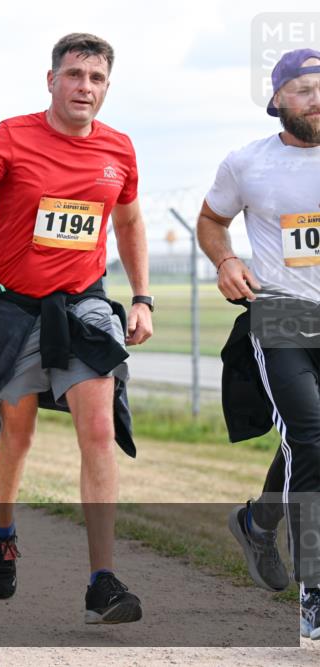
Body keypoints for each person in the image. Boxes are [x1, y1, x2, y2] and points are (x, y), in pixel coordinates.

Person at [0, 33, 153, 624]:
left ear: (106, 87)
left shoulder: (120, 149)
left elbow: (128, 223)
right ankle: (2, 526)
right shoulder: (11, 137)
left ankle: (102, 580)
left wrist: (143, 297)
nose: (85, 87)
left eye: (96, 79)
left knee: (98, 429)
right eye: (74, 75)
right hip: (14, 306)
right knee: (16, 435)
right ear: (50, 80)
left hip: (84, 304)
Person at [197, 48, 320, 641]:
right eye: (301, 88)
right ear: (277, 101)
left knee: (308, 442)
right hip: (283, 314)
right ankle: (315, 592)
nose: (315, 97)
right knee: (314, 436)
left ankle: (257, 521)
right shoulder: (247, 163)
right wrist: (224, 259)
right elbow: (210, 220)